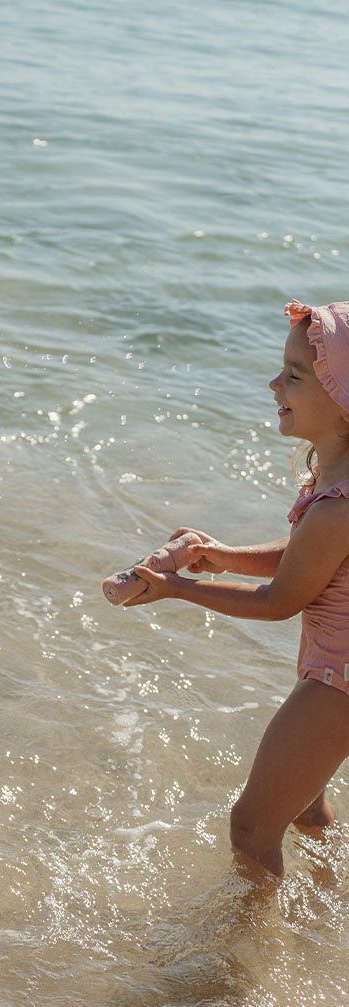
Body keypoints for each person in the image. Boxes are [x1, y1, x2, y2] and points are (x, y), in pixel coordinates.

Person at [124, 300, 349, 877]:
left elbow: (281, 601)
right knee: (303, 807)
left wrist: (176, 588)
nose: (275, 383)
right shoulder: (339, 485)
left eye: (296, 375)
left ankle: (246, 952)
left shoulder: (337, 509)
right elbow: (310, 561)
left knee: (252, 827)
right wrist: (218, 555)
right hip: (337, 667)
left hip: (339, 682)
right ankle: (329, 902)